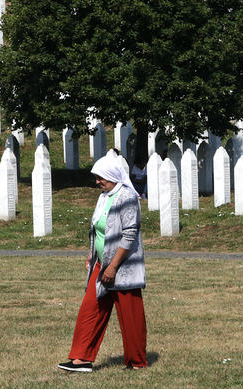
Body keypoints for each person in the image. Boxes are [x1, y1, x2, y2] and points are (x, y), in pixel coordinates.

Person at [59, 153, 147, 373]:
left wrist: (113, 266)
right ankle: (81, 359)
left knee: (130, 315)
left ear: (113, 175)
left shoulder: (127, 196)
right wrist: (93, 254)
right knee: (90, 309)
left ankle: (136, 362)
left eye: (101, 177)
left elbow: (129, 235)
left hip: (122, 265)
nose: (97, 182)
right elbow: (99, 228)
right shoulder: (104, 195)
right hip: (102, 263)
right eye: (96, 178)